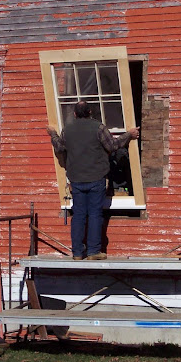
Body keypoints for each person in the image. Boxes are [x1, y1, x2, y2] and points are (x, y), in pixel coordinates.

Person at [47, 101, 139, 260]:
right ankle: (93, 251)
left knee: (79, 215)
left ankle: (77, 253)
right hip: (96, 177)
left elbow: (59, 147)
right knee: (95, 214)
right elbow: (112, 146)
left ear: (75, 114)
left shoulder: (67, 130)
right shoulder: (99, 127)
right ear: (90, 112)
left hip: (76, 179)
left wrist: (53, 134)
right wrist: (129, 135)